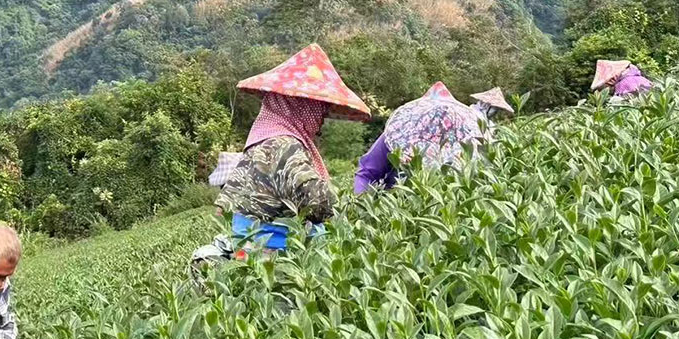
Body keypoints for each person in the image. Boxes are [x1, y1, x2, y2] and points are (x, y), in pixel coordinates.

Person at [191, 43, 370, 275]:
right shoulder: (282, 146)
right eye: (319, 110)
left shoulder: (262, 138)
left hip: (250, 247)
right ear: (300, 106)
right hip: (274, 258)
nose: (321, 120)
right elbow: (317, 203)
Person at [354, 82, 483, 194]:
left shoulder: (464, 145)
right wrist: (362, 206)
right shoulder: (399, 134)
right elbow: (367, 172)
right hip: (393, 211)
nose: (438, 119)